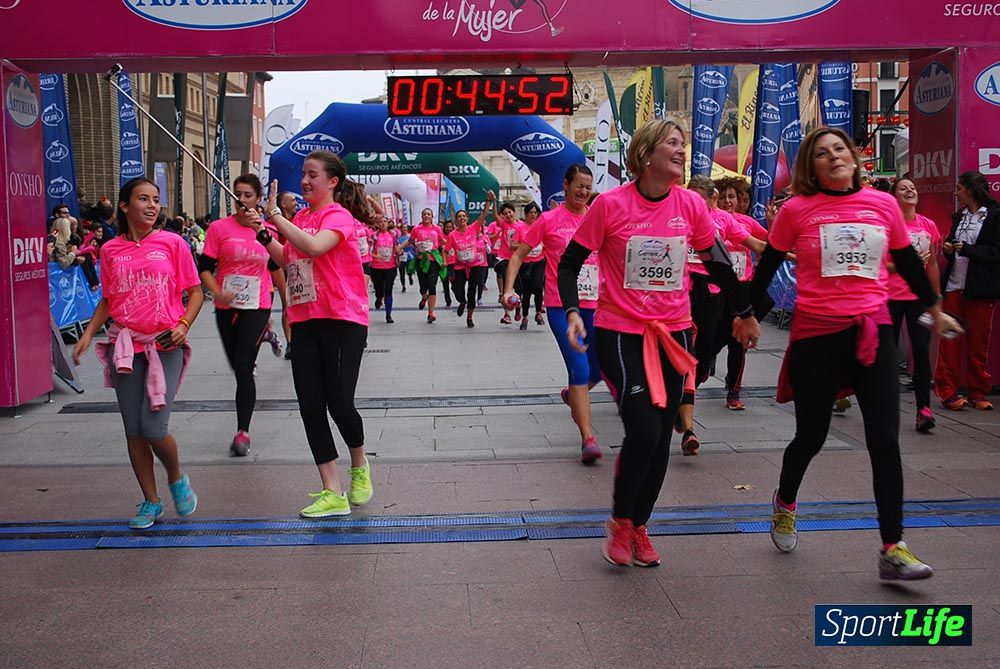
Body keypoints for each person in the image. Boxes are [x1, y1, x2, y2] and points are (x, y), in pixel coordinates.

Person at [748, 127, 962, 580]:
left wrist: (935, 309)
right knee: (812, 436)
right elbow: (766, 269)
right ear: (812, 166)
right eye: (822, 154)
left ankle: (893, 546)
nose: (833, 157)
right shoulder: (797, 210)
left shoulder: (883, 205)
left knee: (885, 440)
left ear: (853, 157)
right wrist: (746, 314)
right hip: (816, 337)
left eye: (839, 149)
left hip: (873, 333)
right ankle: (785, 501)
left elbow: (907, 262)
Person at [557, 119, 761, 567]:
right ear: (646, 153)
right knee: (644, 432)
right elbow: (570, 264)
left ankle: (639, 524)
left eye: (683, 144)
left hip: (675, 334)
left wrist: (744, 313)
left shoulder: (690, 205)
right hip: (621, 333)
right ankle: (620, 521)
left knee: (660, 440)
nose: (681, 150)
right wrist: (573, 311)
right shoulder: (610, 206)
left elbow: (719, 261)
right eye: (672, 143)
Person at [71, 177, 203, 530]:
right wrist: (87, 334)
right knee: (133, 430)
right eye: (143, 199)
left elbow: (196, 292)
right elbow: (109, 299)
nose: (151, 205)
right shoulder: (112, 250)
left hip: (165, 343)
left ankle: (176, 478)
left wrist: (184, 325)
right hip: (125, 345)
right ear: (125, 206)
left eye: (156, 199)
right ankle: (151, 500)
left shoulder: (173, 243)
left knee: (154, 426)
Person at [255, 152, 373, 517]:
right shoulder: (302, 218)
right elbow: (289, 258)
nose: (305, 181)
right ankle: (332, 490)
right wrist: (262, 232)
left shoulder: (338, 217)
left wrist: (276, 216)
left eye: (312, 175)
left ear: (332, 181)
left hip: (342, 318)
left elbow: (314, 247)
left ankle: (359, 462)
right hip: (304, 318)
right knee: (310, 404)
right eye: (303, 175)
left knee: (339, 403)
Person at [504, 164, 603, 463]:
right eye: (579, 186)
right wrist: (508, 289)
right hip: (561, 306)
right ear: (566, 185)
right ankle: (588, 438)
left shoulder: (598, 218)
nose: (584, 192)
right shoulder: (549, 219)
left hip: (596, 305)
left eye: (588, 187)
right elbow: (519, 254)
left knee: (599, 370)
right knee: (581, 368)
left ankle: (573, 393)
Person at [674, 176, 763, 454]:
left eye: (701, 201)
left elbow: (757, 244)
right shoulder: (675, 218)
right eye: (691, 201)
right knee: (684, 352)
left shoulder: (723, 220)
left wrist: (798, 252)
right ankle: (688, 426)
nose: (694, 207)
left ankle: (683, 397)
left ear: (710, 199)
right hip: (681, 290)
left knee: (701, 358)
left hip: (713, 291)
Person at [198, 174, 278, 456]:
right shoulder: (219, 229)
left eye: (248, 195)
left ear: (258, 199)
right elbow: (204, 267)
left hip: (258, 304)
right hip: (226, 306)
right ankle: (262, 339)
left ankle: (242, 431)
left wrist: (289, 304)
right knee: (237, 366)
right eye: (238, 195)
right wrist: (217, 292)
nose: (242, 201)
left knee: (244, 366)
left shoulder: (267, 230)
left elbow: (278, 265)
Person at [935, 170, 1000, 411]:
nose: (956, 192)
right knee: (950, 342)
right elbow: (951, 248)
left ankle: (977, 392)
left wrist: (969, 249)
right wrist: (949, 249)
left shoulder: (994, 216)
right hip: (954, 285)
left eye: (959, 188)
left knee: (978, 343)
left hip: (980, 288)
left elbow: (996, 252)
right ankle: (948, 391)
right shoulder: (958, 216)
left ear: (970, 190)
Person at [887, 178, 941, 431]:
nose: (910, 190)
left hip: (918, 298)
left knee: (920, 349)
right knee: (883, 353)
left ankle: (923, 410)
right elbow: (876, 262)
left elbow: (932, 264)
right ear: (894, 196)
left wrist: (936, 297)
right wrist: (904, 265)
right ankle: (870, 401)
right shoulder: (887, 225)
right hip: (889, 295)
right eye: (903, 188)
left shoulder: (928, 225)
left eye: (913, 188)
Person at [713, 176, 770, 410]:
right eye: (724, 196)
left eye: (732, 197)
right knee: (711, 341)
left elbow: (770, 243)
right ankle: (706, 362)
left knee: (739, 344)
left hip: (742, 289)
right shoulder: (710, 220)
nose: (728, 201)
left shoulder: (746, 222)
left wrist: (773, 223)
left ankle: (734, 392)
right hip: (717, 290)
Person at [444, 208, 490, 327]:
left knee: (472, 292)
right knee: (457, 289)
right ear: (456, 220)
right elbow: (446, 250)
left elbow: (484, 214)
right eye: (459, 216)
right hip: (459, 267)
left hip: (475, 266)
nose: (462, 218)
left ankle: (469, 317)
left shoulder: (473, 228)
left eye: (464, 216)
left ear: (467, 219)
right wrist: (444, 261)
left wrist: (489, 201)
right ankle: (462, 301)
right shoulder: (452, 235)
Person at [401, 208, 447, 324]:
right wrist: (399, 247)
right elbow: (410, 241)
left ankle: (431, 313)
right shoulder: (417, 229)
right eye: (424, 214)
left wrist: (453, 247)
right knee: (423, 286)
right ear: (421, 216)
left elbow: (443, 242)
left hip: (433, 260)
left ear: (432, 217)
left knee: (432, 285)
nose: (426, 216)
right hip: (421, 260)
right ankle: (424, 297)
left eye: (428, 214)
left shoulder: (437, 229)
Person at [513, 202, 546, 330]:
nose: (533, 215)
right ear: (526, 214)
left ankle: (538, 313)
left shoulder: (541, 227)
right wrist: (526, 245)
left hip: (539, 261)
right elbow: (513, 244)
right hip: (525, 263)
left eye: (535, 212)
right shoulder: (519, 228)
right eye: (531, 212)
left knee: (538, 287)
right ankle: (525, 317)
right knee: (526, 292)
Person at [488, 197, 519, 325]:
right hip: (503, 258)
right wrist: (494, 201)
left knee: (517, 288)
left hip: (517, 260)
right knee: (508, 285)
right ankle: (507, 315)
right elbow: (494, 214)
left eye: (509, 212)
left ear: (514, 212)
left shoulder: (521, 226)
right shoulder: (504, 224)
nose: (507, 215)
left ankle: (518, 306)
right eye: (505, 214)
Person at [370, 208, 401, 323]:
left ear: (388, 223)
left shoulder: (393, 235)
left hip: (391, 267)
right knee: (379, 289)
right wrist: (375, 256)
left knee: (388, 289)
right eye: (380, 222)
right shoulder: (373, 236)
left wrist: (399, 251)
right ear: (377, 224)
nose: (382, 224)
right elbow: (369, 251)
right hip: (376, 267)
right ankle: (379, 297)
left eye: (384, 221)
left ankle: (388, 314)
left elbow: (397, 248)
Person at [396, 223, 415, 292]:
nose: (404, 229)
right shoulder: (398, 238)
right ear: (400, 229)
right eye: (403, 227)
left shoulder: (410, 237)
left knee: (409, 270)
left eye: (406, 227)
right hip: (402, 256)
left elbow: (414, 245)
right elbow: (396, 246)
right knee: (402, 272)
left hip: (410, 256)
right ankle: (403, 286)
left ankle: (410, 276)